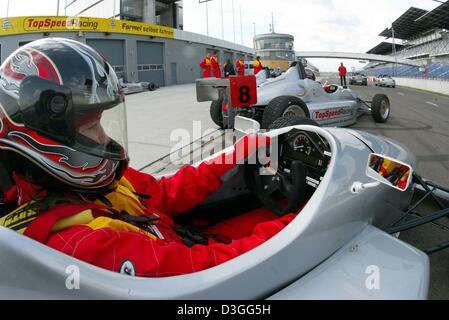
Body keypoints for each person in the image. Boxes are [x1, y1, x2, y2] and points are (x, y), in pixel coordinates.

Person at [0, 38, 297, 278]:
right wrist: (301, 224)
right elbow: (205, 270)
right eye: (92, 127)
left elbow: (165, 193)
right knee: (288, 218)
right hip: (198, 265)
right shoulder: (82, 245)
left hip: (181, 241)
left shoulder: (88, 185)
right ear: (47, 142)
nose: (105, 139)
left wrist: (236, 153)